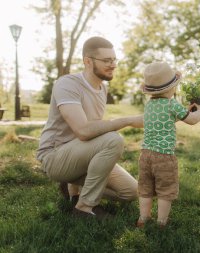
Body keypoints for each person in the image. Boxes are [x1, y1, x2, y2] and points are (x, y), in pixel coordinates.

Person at [36, 36, 143, 219]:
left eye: (114, 59)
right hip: (54, 156)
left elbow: (94, 130)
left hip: (80, 155)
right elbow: (84, 131)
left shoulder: (102, 89)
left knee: (132, 192)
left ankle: (73, 189)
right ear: (87, 61)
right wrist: (127, 120)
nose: (113, 65)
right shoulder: (68, 84)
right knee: (113, 140)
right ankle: (84, 208)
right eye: (106, 60)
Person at [137, 62, 200, 227]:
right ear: (171, 88)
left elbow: (168, 118)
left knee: (145, 188)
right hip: (164, 156)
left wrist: (187, 110)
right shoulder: (171, 104)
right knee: (165, 190)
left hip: (145, 155)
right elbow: (191, 120)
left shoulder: (149, 106)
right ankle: (161, 222)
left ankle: (143, 218)